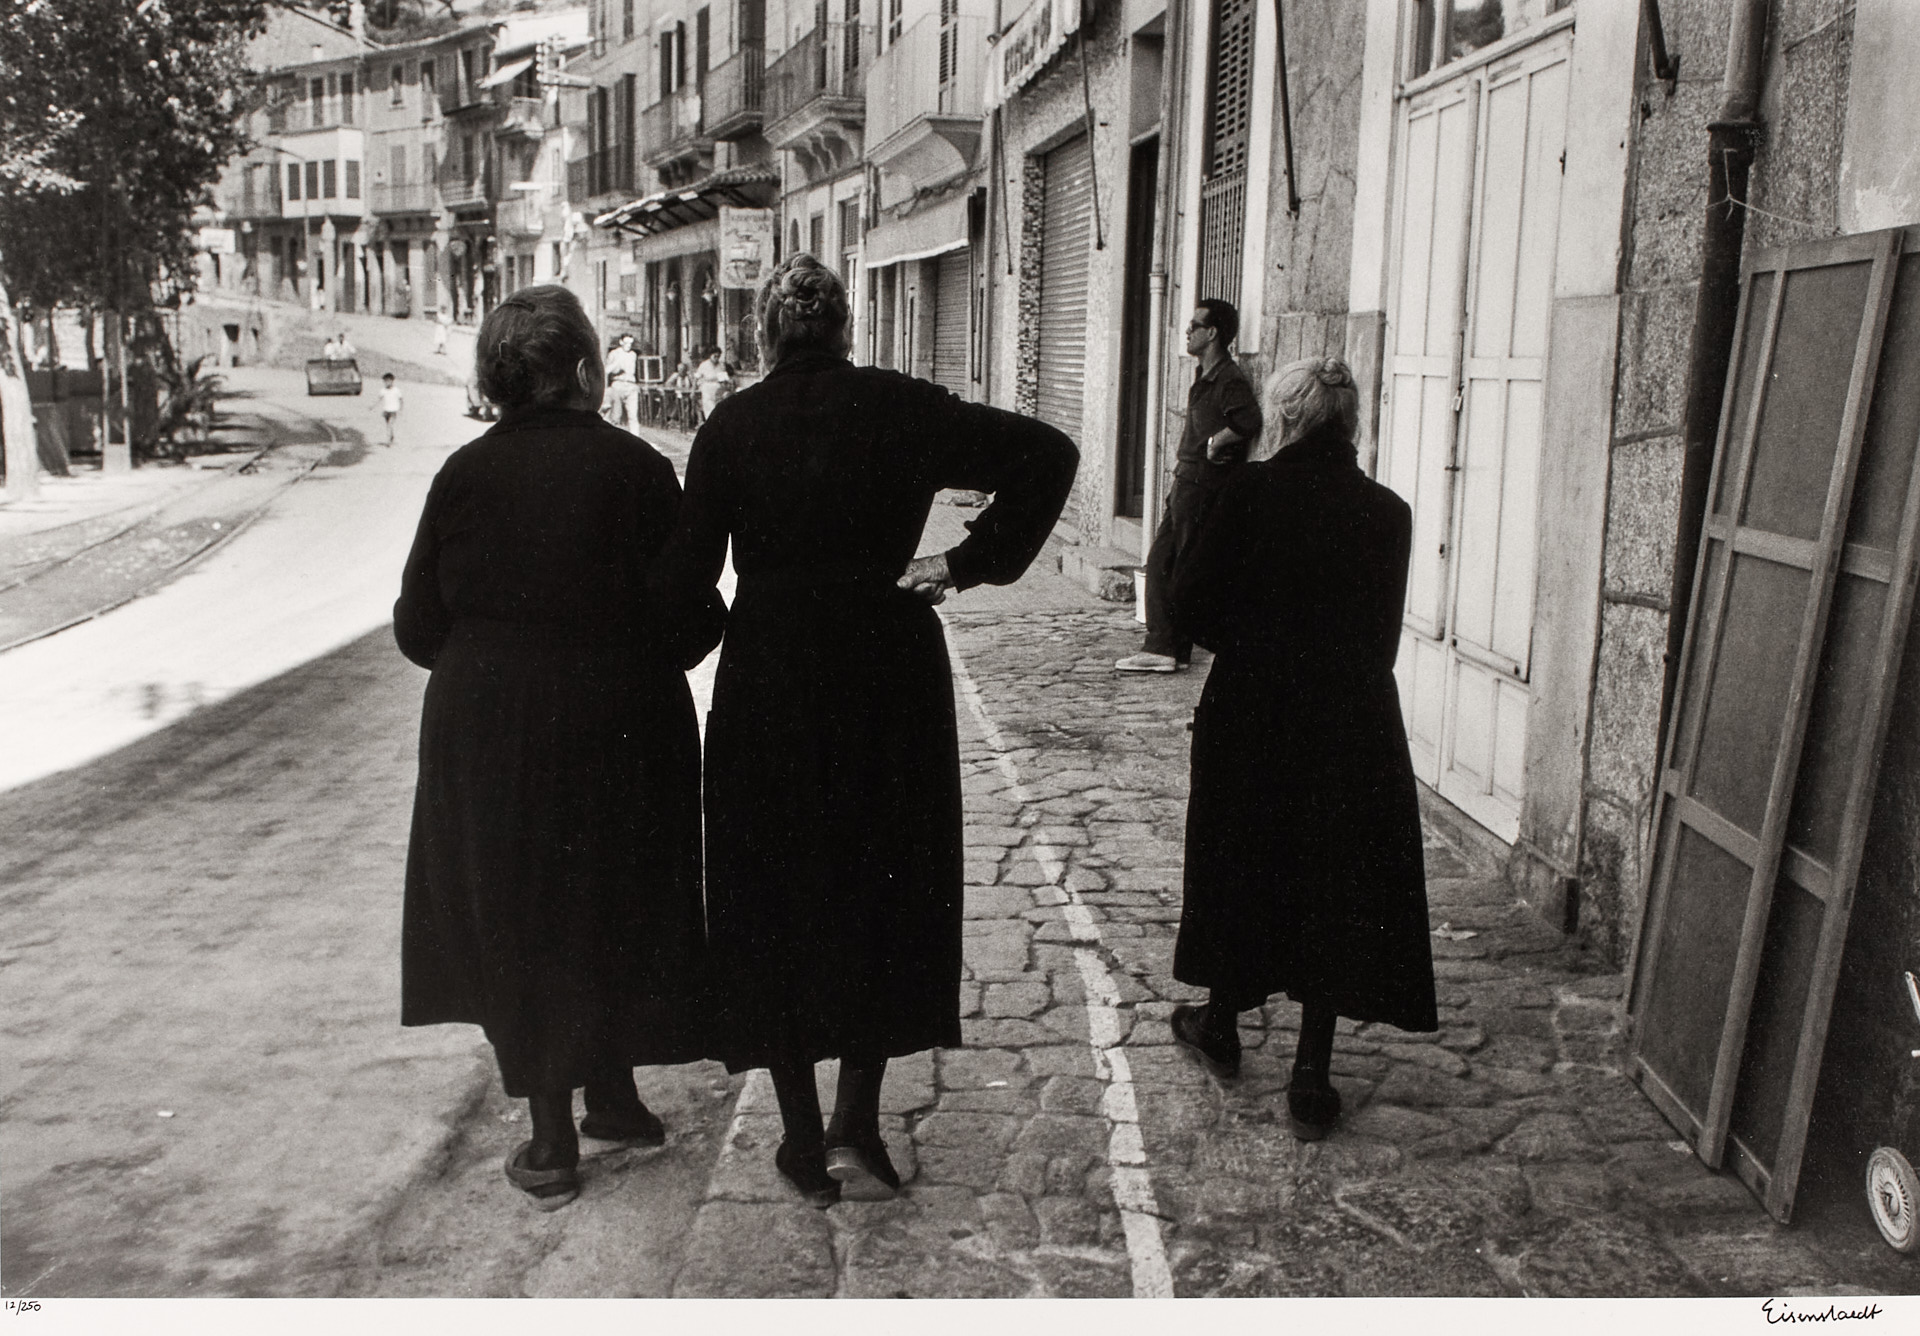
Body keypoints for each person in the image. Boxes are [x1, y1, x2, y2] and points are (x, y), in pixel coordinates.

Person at [653, 254, 1077, 1206]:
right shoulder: (901, 405)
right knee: (884, 884)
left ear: (766, 336)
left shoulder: (731, 425)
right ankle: (858, 1126)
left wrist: (724, 626)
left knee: (775, 892)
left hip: (770, 679)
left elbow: (686, 577)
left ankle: (801, 1139)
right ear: (847, 330)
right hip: (886, 670)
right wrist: (965, 564)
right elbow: (1049, 454)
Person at [393, 284, 722, 1210]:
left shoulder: (462, 475)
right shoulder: (640, 469)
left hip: (489, 724)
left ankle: (549, 1141)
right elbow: (695, 618)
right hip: (619, 716)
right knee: (613, 893)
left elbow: (419, 625)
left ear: (496, 381)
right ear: (586, 370)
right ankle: (614, 1097)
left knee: (519, 906)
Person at [1164, 355, 1437, 1141]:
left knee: (1238, 857)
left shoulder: (1246, 493)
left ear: (1283, 420)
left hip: (1252, 709)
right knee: (1331, 873)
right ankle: (1311, 1071)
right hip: (1351, 715)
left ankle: (1220, 1020)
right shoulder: (1389, 512)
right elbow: (1382, 639)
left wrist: (1249, 645)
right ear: (1350, 426)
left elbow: (1187, 604)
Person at [1116, 299, 1262, 674]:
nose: (1187, 331)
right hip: (1188, 481)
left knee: (1174, 565)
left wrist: (1217, 442)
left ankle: (1166, 646)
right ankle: (1169, 647)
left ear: (1211, 333)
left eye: (1194, 325)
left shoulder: (1228, 377)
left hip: (1201, 484)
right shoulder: (1207, 375)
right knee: (1165, 561)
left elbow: (1248, 420)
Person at [605, 333, 639, 430]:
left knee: (633, 417)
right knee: (616, 416)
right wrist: (617, 365)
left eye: (631, 343)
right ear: (621, 342)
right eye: (626, 343)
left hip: (631, 386)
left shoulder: (633, 355)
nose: (629, 345)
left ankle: (635, 441)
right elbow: (607, 370)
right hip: (618, 385)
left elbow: (631, 370)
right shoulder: (614, 353)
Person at [693, 346, 732, 424]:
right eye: (715, 356)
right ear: (710, 355)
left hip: (719, 388)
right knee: (709, 407)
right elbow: (696, 378)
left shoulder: (721, 365)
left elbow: (724, 378)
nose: (716, 358)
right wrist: (693, 390)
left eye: (718, 356)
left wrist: (727, 383)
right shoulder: (704, 365)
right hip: (707, 387)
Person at [373, 372, 403, 446]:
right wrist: (372, 406)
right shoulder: (383, 390)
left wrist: (400, 410)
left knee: (389, 425)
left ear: (392, 381)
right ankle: (391, 437)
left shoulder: (396, 390)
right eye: (385, 381)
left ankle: (388, 441)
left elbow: (401, 400)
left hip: (393, 411)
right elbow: (379, 399)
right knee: (388, 425)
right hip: (386, 411)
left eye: (388, 381)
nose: (387, 383)